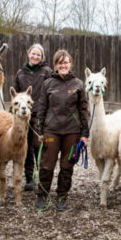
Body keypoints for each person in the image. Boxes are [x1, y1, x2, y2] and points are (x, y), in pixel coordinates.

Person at [34, 49, 89, 211]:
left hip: (72, 132)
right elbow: (42, 108)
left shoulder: (78, 84)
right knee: (47, 164)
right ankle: (42, 196)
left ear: (70, 64)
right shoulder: (47, 84)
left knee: (67, 165)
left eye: (66, 62)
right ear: (55, 65)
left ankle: (62, 197)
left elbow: (83, 110)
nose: (63, 65)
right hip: (52, 131)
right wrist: (40, 131)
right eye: (60, 63)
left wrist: (84, 134)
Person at [13, 43, 52, 191]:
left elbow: (51, 91)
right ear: (28, 54)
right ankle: (29, 178)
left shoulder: (46, 71)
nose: (35, 56)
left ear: (42, 57)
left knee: (38, 145)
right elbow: (16, 93)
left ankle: (42, 177)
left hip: (39, 114)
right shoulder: (20, 73)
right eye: (33, 53)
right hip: (23, 115)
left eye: (38, 55)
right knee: (25, 146)